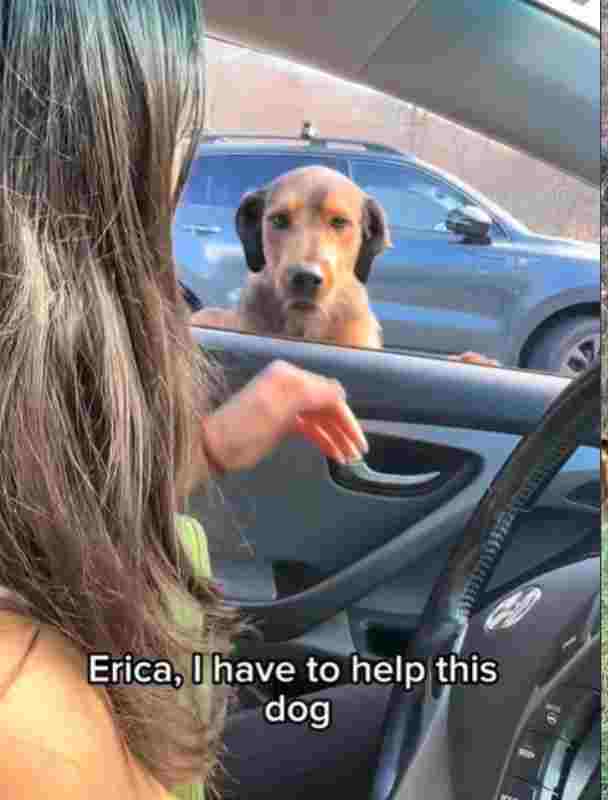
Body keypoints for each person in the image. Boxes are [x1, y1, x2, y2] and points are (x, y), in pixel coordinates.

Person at [0, 2, 390, 798]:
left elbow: (46, 524)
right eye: (165, 165)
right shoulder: (26, 713)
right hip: (164, 740)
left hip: (165, 707)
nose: (166, 216)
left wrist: (208, 447)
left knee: (433, 695)